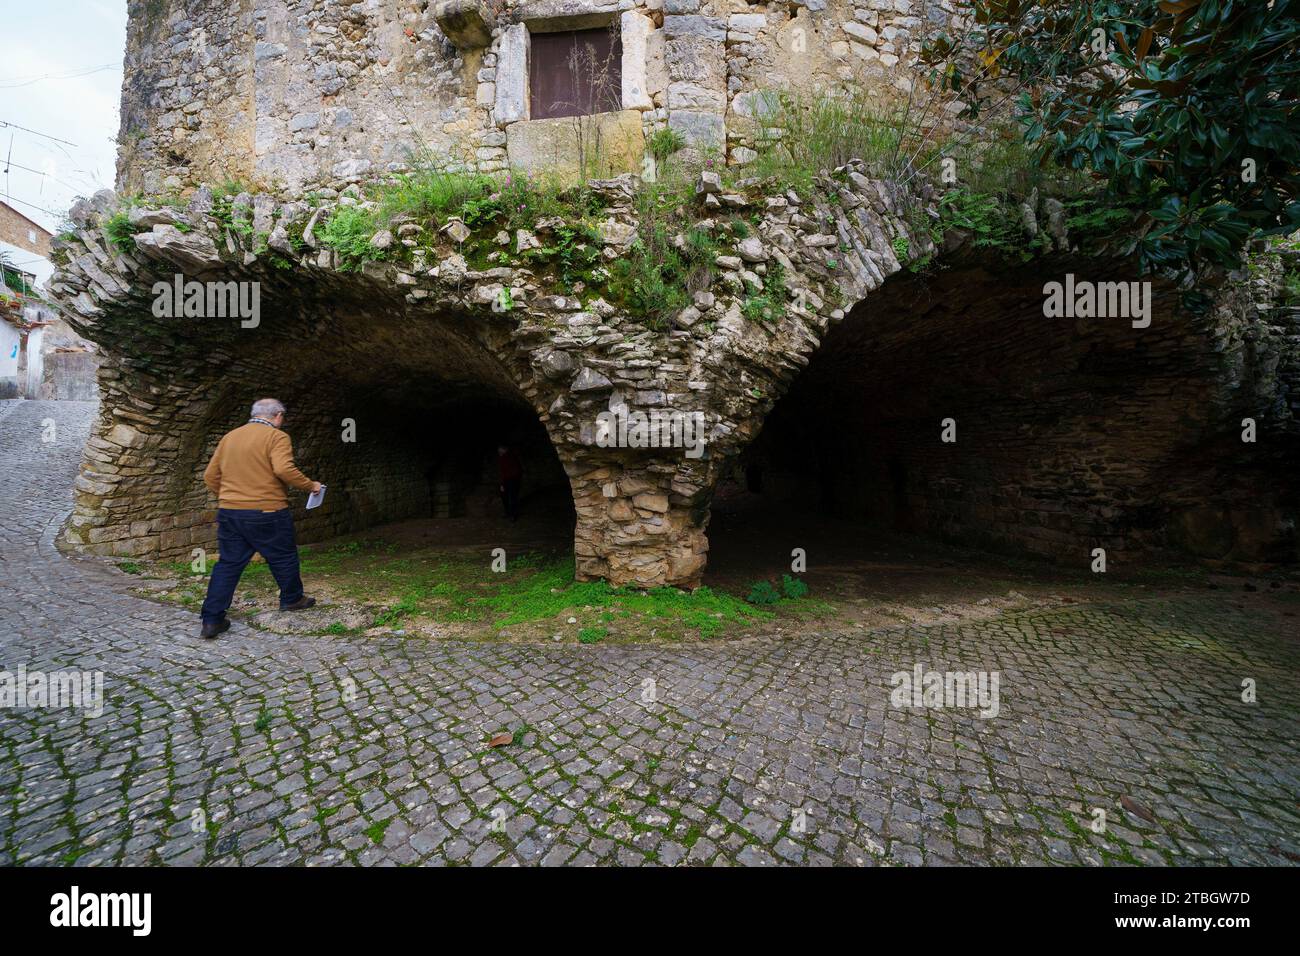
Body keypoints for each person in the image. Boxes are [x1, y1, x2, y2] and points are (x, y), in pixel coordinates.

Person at [197, 398, 321, 638]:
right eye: (282, 418)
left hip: (230, 512)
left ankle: (211, 620)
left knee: (228, 564)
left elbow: (210, 475)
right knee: (283, 556)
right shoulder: (277, 437)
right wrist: (310, 485)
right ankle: (292, 598)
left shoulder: (230, 437)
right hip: (267, 511)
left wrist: (231, 498)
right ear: (277, 416)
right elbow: (283, 469)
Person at [497, 444, 523, 522]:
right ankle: (508, 512)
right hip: (507, 480)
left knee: (512, 497)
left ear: (504, 449)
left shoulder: (511, 457)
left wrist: (515, 480)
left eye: (500, 450)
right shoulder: (502, 458)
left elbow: (516, 470)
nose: (499, 451)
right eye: (499, 450)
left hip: (513, 480)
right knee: (505, 496)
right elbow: (502, 472)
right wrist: (502, 483)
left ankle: (513, 515)